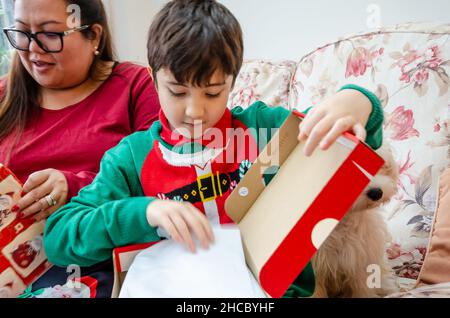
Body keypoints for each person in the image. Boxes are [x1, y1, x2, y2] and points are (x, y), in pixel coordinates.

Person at [44, 0, 383, 298]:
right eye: (177, 92)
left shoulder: (260, 130)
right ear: (153, 78)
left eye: (212, 93)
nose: (194, 111)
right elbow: (59, 238)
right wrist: (144, 212)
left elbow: (339, 130)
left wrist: (356, 101)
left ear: (233, 83)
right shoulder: (130, 158)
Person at [0, 0, 160, 298]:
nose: (33, 49)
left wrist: (74, 186)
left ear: (94, 36)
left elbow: (161, 177)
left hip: (94, 259)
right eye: (22, 32)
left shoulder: (133, 86)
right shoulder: (5, 96)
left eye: (50, 34)